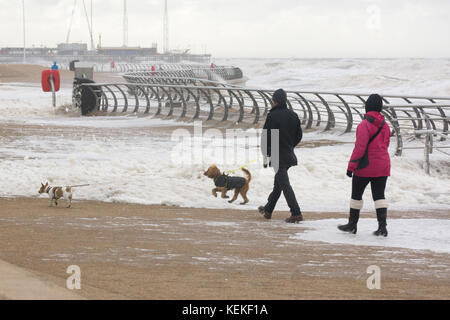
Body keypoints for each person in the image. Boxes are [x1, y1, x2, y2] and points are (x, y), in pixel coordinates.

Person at [338, 94, 391, 236]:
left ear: (367, 106)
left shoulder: (364, 125)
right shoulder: (385, 126)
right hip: (383, 165)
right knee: (379, 195)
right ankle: (382, 227)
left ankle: (352, 224)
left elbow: (359, 148)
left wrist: (351, 167)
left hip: (365, 166)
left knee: (356, 195)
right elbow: (385, 145)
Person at [258, 89, 304, 223]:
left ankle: (296, 213)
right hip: (288, 155)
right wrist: (290, 146)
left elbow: (265, 138)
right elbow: (299, 135)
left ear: (275, 101)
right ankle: (268, 210)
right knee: (279, 183)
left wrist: (266, 157)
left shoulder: (272, 116)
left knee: (284, 184)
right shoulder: (293, 115)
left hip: (277, 156)